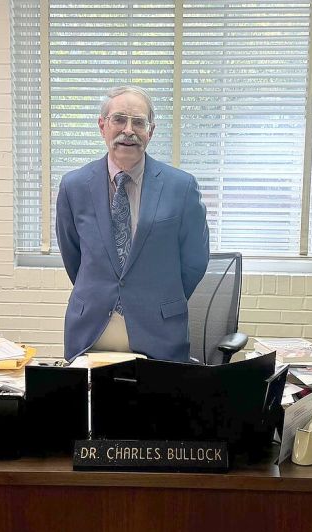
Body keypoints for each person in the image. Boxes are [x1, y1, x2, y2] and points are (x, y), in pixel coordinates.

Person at [56, 85, 210, 363]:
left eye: (138, 122)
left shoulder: (182, 187)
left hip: (159, 331)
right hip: (90, 331)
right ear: (102, 125)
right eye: (119, 119)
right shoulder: (74, 186)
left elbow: (195, 260)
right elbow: (73, 256)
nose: (128, 130)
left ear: (150, 131)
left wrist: (159, 299)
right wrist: (100, 292)